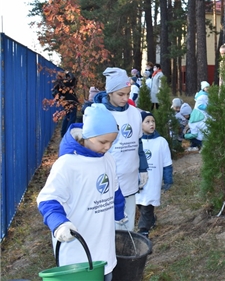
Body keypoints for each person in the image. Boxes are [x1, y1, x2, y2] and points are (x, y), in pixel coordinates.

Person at [37, 104, 125, 281]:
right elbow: (48, 200)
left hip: (105, 251)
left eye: (112, 142)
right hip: (76, 257)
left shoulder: (107, 159)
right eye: (103, 142)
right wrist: (59, 223)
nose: (108, 147)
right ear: (87, 135)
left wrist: (119, 214)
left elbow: (115, 191)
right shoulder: (68, 165)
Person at [94, 67, 148, 231]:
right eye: (121, 94)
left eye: (128, 93)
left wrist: (143, 168)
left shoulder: (134, 113)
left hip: (130, 177)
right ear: (109, 92)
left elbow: (138, 143)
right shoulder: (99, 113)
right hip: (106, 181)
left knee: (128, 224)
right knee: (108, 226)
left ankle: (126, 254)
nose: (126, 98)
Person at [136, 111, 173, 237]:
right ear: (140, 125)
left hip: (153, 181)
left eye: (153, 121)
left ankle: (143, 230)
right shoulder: (136, 142)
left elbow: (167, 163)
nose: (151, 124)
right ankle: (150, 221)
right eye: (147, 122)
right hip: (139, 180)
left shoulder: (161, 142)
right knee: (140, 203)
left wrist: (168, 180)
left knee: (148, 203)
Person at [53, 71, 79, 137]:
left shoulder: (57, 84)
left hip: (64, 102)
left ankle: (63, 133)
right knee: (72, 118)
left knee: (67, 117)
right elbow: (72, 78)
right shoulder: (65, 83)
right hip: (71, 101)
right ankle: (68, 134)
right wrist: (68, 73)